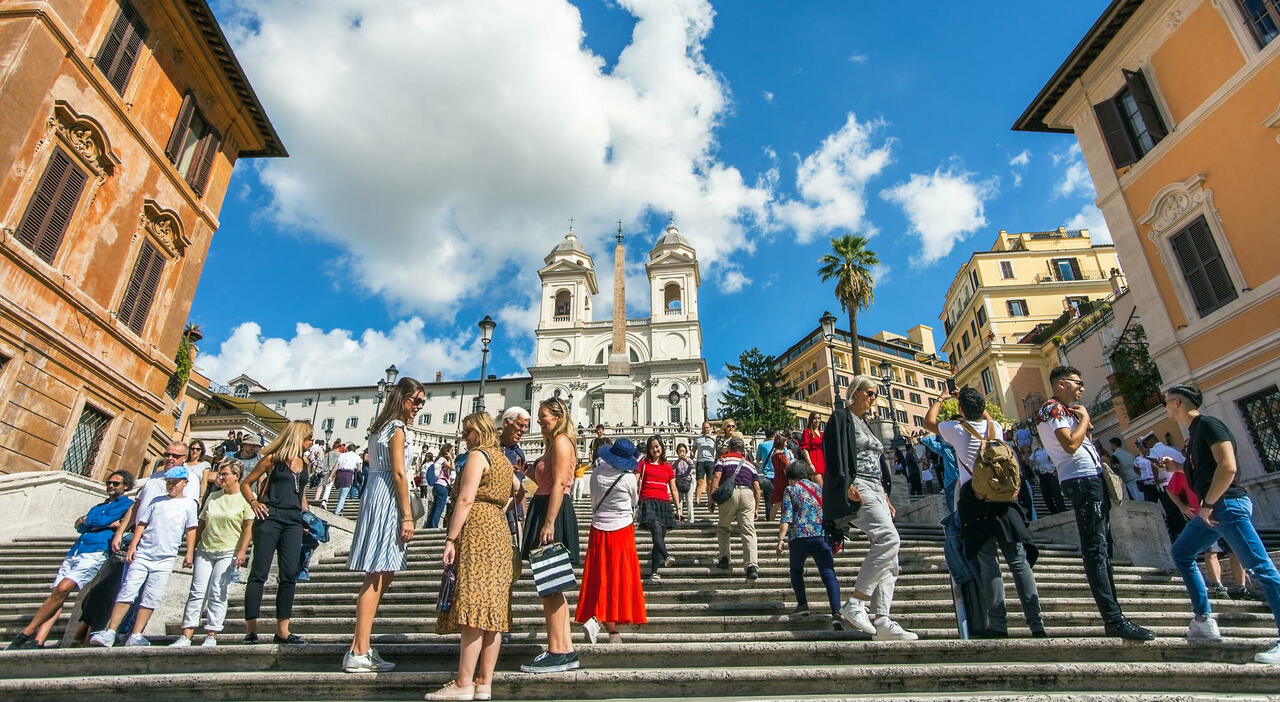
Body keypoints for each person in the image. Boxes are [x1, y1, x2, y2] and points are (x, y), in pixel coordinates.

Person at [1160, 384, 1280, 664]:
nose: (1164, 406)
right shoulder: (1193, 436)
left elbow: (1228, 466)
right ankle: (1203, 621)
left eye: (1166, 402)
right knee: (1182, 553)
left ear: (1177, 403)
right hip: (1214, 509)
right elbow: (1204, 469)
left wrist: (1208, 504)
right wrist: (1177, 468)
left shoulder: (1209, 424)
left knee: (1262, 568)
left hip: (1225, 505)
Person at [1036, 366, 1154, 641]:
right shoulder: (1052, 409)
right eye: (1078, 383)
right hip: (1080, 479)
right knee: (1095, 549)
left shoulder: (1065, 411)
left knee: (1102, 546)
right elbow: (1069, 445)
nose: (1082, 388)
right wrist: (1086, 420)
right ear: (1062, 384)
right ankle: (1113, 618)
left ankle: (1115, 614)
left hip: (1090, 477)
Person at [926, 387, 1045, 639]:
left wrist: (941, 400)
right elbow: (987, 417)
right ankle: (1036, 623)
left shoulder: (957, 430)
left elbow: (929, 422)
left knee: (989, 564)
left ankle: (999, 624)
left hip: (976, 502)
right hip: (1004, 502)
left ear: (961, 411)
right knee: (1018, 562)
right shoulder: (996, 429)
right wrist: (973, 403)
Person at [426, 412, 519, 700]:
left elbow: (465, 499)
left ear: (479, 431)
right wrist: (499, 509)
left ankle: (464, 683)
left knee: (474, 605)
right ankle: (484, 683)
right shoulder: (504, 460)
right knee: (494, 609)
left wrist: (450, 538)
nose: (465, 437)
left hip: (477, 528)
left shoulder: (479, 457)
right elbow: (518, 488)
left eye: (468, 432)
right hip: (499, 530)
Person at [825, 376, 916, 641]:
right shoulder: (841, 418)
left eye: (875, 394)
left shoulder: (867, 424)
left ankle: (883, 619)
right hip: (858, 485)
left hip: (876, 488)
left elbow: (878, 460)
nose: (874, 398)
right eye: (870, 393)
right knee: (889, 539)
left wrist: (886, 494)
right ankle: (856, 601)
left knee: (891, 556)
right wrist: (846, 484)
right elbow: (833, 454)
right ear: (855, 393)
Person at [343, 378, 424, 672]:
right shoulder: (397, 429)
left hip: (378, 493)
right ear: (400, 397)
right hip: (389, 496)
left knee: (382, 573)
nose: (417, 407)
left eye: (421, 403)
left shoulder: (381, 427)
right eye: (414, 401)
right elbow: (400, 473)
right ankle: (359, 649)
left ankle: (360, 646)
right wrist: (406, 515)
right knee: (377, 574)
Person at [7, 471, 135, 650]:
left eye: (116, 483)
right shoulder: (99, 505)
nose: (111, 486)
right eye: (109, 483)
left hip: (96, 551)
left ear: (126, 486)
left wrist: (92, 522)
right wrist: (98, 522)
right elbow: (80, 524)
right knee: (57, 595)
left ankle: (24, 635)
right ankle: (39, 640)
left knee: (63, 588)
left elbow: (91, 521)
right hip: (76, 550)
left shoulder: (127, 504)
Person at [89, 466, 198, 647]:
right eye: (168, 482)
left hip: (166, 557)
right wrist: (133, 546)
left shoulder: (189, 505)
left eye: (175, 483)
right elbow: (141, 524)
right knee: (128, 590)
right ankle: (111, 631)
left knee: (151, 596)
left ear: (185, 483)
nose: (171, 486)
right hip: (144, 554)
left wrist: (189, 553)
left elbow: (191, 529)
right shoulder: (156, 500)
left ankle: (136, 634)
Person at [520, 398, 580, 674]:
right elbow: (549, 478)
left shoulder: (560, 442)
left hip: (550, 509)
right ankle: (565, 649)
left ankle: (556, 650)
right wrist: (529, 471)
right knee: (552, 585)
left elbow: (558, 483)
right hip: (547, 506)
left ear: (558, 416)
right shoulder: (556, 444)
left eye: (543, 416)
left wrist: (549, 522)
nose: (539, 420)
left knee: (550, 586)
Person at [240, 419, 313, 645]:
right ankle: (251, 629)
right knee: (259, 573)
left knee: (289, 574)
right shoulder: (272, 459)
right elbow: (246, 483)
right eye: (309, 437)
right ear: (297, 437)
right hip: (269, 516)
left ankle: (282, 630)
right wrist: (254, 502)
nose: (311, 442)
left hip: (293, 520)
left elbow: (301, 495)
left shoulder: (305, 463)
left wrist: (307, 517)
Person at [171, 459, 254, 647]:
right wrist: (190, 550)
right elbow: (201, 523)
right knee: (197, 591)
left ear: (236, 476)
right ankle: (186, 634)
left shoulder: (246, 497)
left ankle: (212, 633)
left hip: (228, 550)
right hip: (205, 549)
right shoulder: (213, 496)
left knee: (218, 591)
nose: (220, 477)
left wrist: (242, 551)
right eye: (219, 473)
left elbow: (248, 527)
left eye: (224, 474)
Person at [576, 439, 645, 645]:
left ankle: (598, 617)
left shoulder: (597, 473)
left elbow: (594, 501)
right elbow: (634, 502)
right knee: (619, 576)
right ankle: (609, 625)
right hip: (622, 529)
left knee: (599, 575)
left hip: (599, 528)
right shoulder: (629, 479)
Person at [775, 461, 841, 629]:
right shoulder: (819, 488)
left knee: (796, 570)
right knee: (828, 573)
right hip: (821, 535)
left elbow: (786, 517)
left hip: (799, 537)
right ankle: (836, 613)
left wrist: (781, 539)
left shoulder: (791, 489)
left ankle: (802, 604)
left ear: (791, 478)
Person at [708, 436, 760, 579]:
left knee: (724, 528)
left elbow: (717, 476)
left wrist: (712, 498)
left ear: (729, 448)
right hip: (748, 494)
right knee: (748, 530)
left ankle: (724, 558)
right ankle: (751, 566)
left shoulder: (723, 459)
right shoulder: (750, 464)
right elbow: (757, 487)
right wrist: (756, 508)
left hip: (729, 495)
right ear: (743, 451)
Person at [636, 436, 680, 580]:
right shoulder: (643, 464)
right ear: (649, 449)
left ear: (662, 447)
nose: (656, 449)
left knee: (659, 537)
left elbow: (673, 489)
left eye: (658, 446)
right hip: (648, 500)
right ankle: (667, 555)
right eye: (653, 447)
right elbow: (634, 481)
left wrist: (679, 508)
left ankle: (654, 571)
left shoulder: (667, 466)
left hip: (664, 503)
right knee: (655, 528)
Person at [1029, 440, 1066, 514]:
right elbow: (1030, 461)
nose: (1039, 440)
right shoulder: (1036, 451)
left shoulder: (1050, 448)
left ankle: (1062, 510)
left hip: (1051, 472)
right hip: (1042, 474)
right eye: (1038, 439)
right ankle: (1053, 511)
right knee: (1046, 496)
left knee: (1056, 494)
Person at [427, 444, 455, 528]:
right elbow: (452, 468)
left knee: (435, 506)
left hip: (437, 486)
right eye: (451, 451)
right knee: (439, 508)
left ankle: (429, 525)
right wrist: (451, 458)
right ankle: (433, 526)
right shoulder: (442, 459)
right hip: (442, 486)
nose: (452, 452)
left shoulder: (439, 459)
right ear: (447, 451)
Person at [332, 442, 362, 516]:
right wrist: (357, 470)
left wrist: (331, 476)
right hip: (348, 474)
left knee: (341, 493)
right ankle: (337, 511)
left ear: (347, 449)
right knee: (343, 495)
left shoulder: (342, 455)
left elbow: (336, 466)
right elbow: (359, 468)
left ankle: (340, 510)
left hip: (340, 473)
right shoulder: (356, 456)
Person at [692, 422, 717, 508]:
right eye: (704, 428)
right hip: (701, 461)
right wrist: (692, 453)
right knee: (699, 481)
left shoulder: (714, 438)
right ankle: (697, 500)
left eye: (707, 427)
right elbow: (694, 449)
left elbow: (720, 446)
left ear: (710, 428)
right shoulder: (698, 439)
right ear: (702, 428)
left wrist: (711, 437)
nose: (705, 429)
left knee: (710, 482)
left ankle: (710, 500)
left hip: (711, 461)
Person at [799, 412, 827, 486]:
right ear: (811, 420)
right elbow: (804, 449)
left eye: (818, 418)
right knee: (820, 486)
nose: (817, 420)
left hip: (822, 460)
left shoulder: (821, 433)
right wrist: (810, 463)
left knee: (825, 487)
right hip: (813, 459)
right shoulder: (807, 432)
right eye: (815, 418)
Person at [672, 443, 696, 524]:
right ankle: (680, 517)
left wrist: (685, 459)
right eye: (680, 451)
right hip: (679, 483)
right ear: (677, 452)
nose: (682, 453)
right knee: (679, 502)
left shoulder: (689, 460)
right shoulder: (676, 462)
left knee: (689, 501)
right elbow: (672, 468)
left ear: (686, 452)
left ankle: (690, 519)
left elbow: (692, 466)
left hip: (688, 482)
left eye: (683, 451)